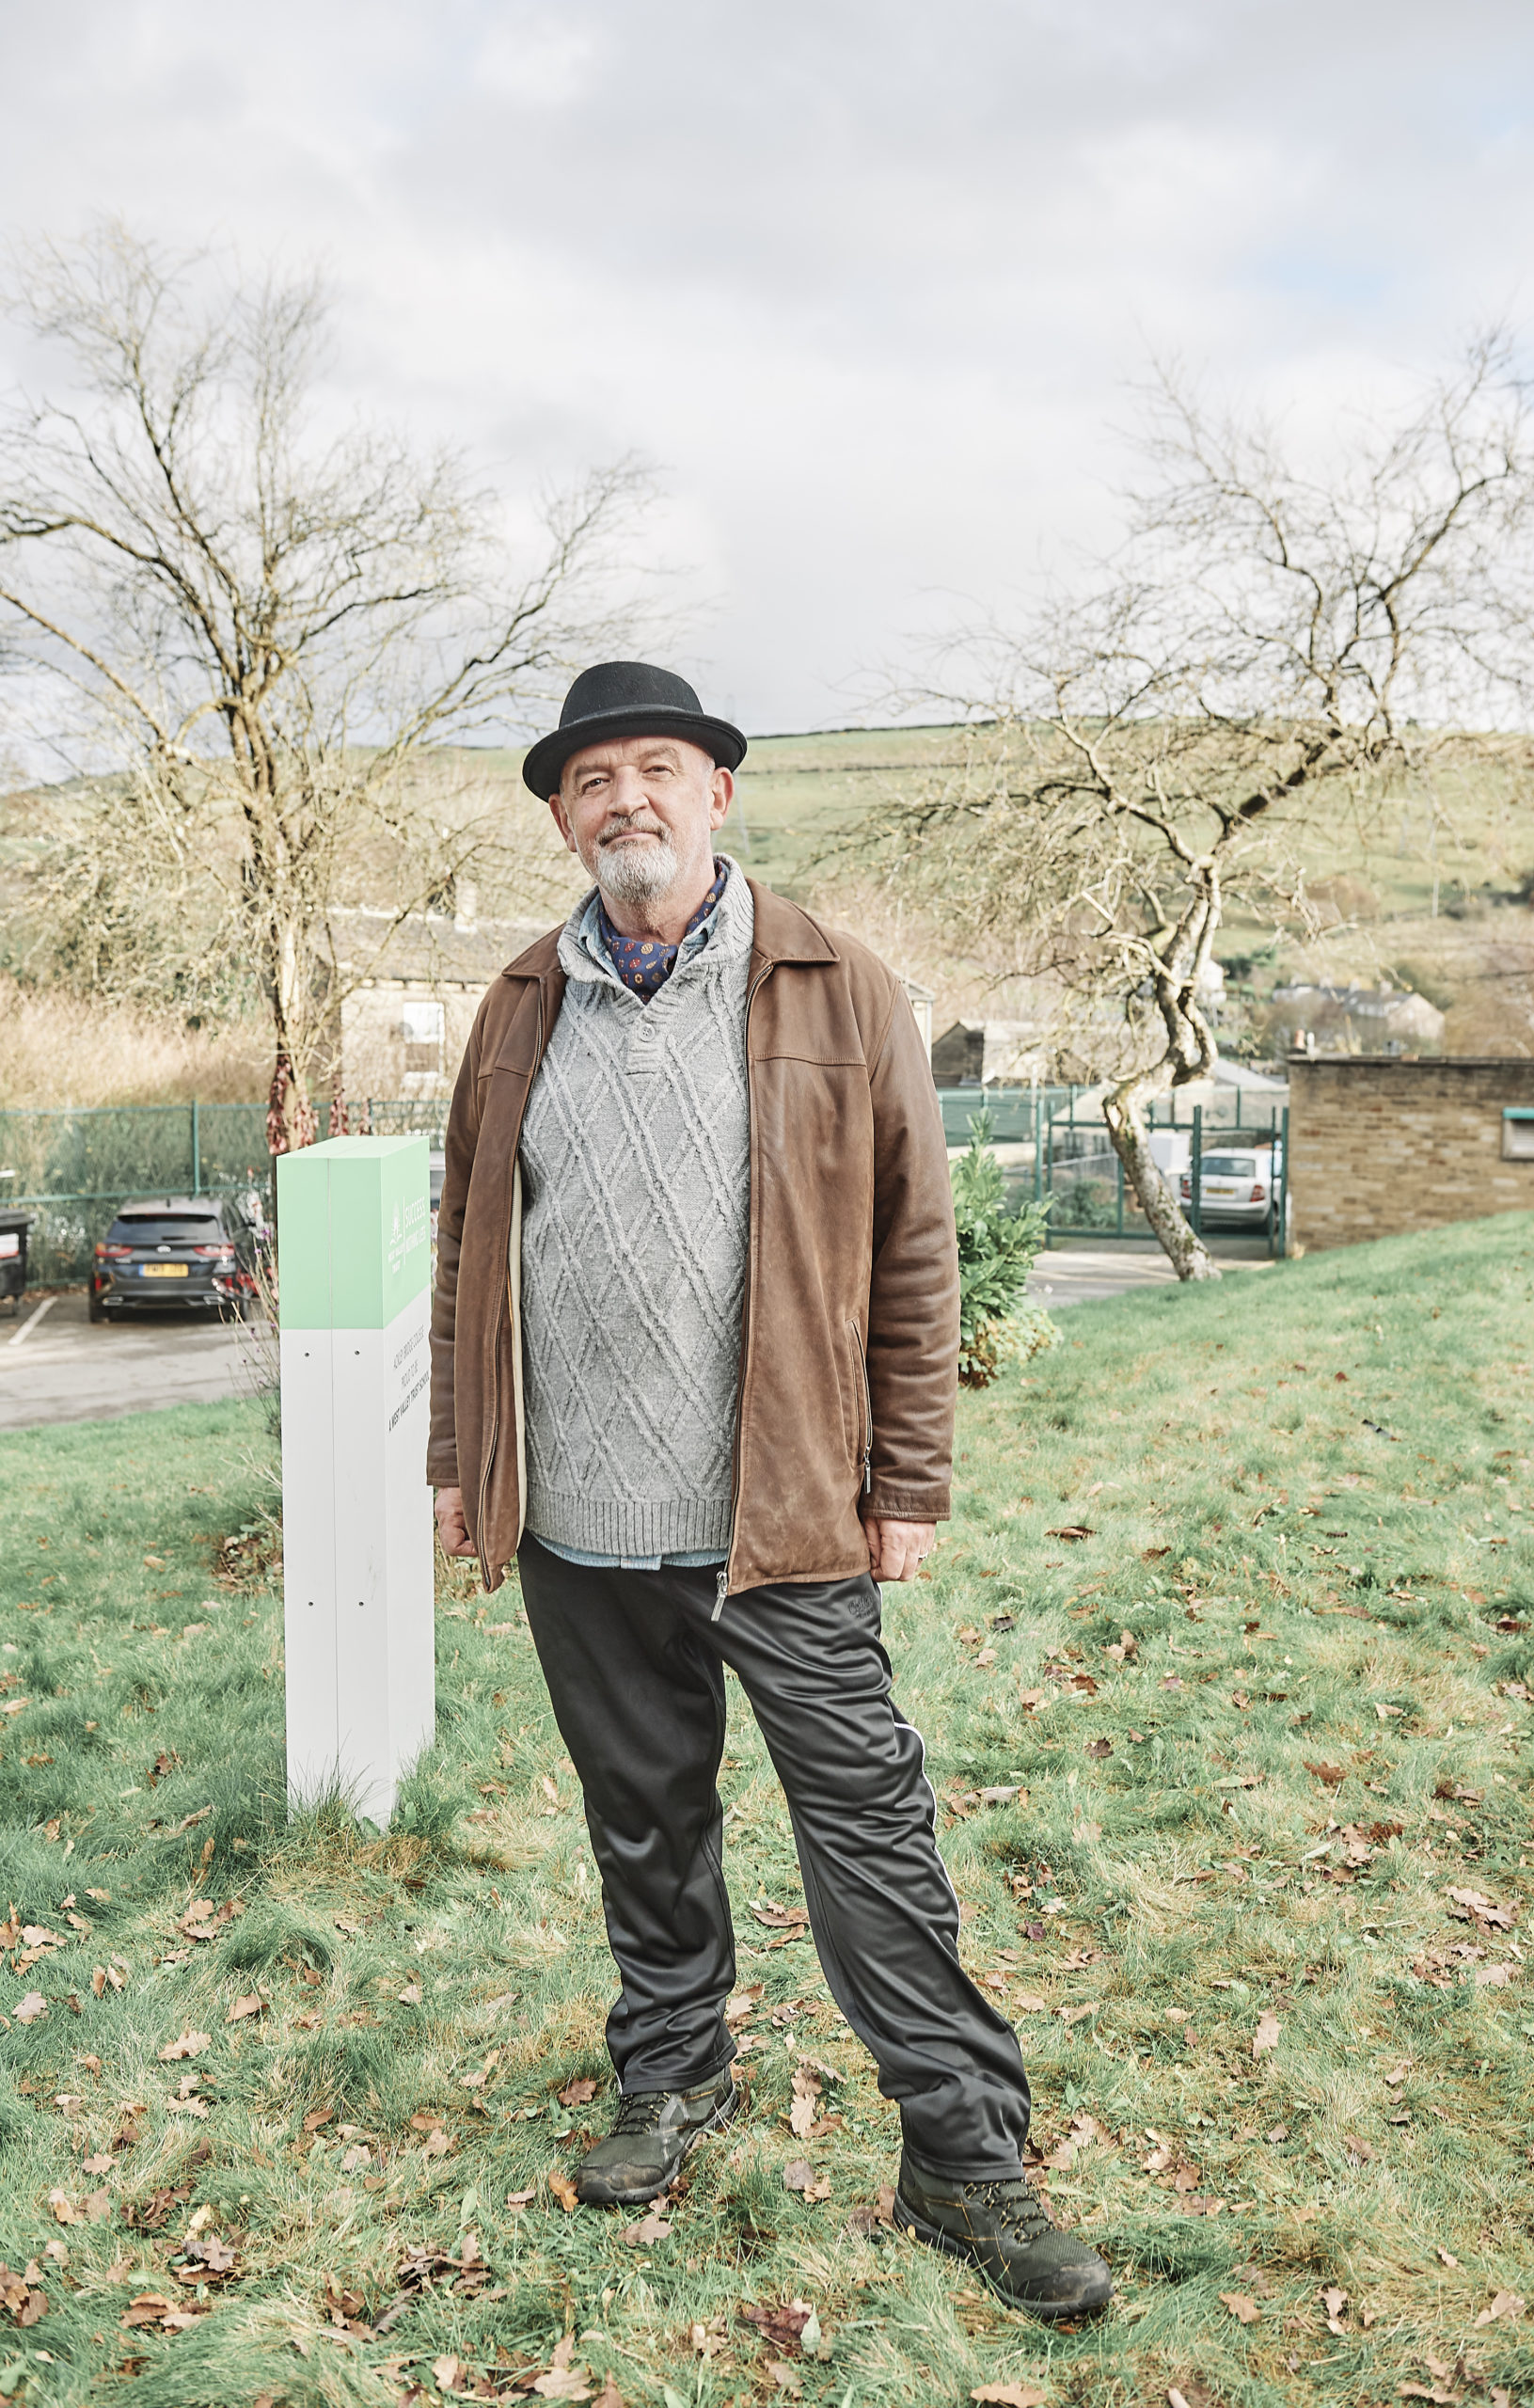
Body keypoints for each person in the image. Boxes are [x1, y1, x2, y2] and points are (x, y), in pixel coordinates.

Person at [428, 661, 1111, 2321]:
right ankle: (671, 2073)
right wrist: (463, 1466)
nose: (625, 804)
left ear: (716, 791)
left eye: (655, 770)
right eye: (592, 783)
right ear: (559, 816)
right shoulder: (521, 999)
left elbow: (913, 1249)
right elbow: (466, 1246)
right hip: (578, 1518)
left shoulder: (835, 983)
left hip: (783, 1513)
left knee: (866, 1826)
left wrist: (910, 1478)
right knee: (643, 1815)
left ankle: (960, 2153)